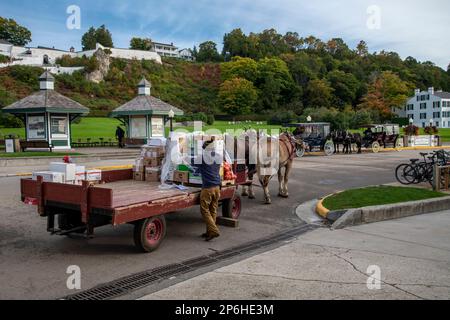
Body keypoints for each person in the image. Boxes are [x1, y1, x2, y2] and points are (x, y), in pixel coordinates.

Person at [191, 137, 222, 242]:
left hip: (207, 188)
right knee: (213, 209)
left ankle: (214, 230)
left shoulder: (202, 158)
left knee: (204, 210)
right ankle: (209, 232)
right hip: (217, 187)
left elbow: (192, 162)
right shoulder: (218, 157)